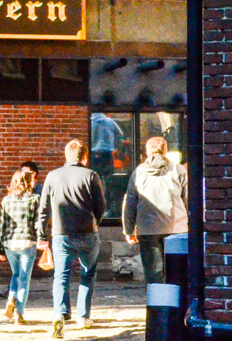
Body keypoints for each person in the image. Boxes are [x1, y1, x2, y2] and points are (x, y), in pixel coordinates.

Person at [37, 139, 106, 339]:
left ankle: (60, 314)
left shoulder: (52, 176)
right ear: (84, 157)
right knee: (88, 272)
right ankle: (83, 316)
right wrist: (96, 221)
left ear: (66, 156)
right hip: (87, 232)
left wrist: (42, 235)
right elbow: (100, 205)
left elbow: (43, 209)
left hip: (61, 233)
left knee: (61, 276)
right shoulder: (91, 175)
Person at [122, 137, 188, 284]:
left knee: (153, 272)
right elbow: (187, 199)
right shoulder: (178, 170)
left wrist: (129, 230)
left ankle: (156, 303)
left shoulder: (139, 172)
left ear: (147, 152)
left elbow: (130, 202)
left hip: (148, 228)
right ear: (165, 150)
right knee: (176, 272)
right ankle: (176, 304)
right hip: (176, 227)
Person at [0, 170, 40, 325]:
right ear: (30, 182)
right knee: (24, 279)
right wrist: (42, 239)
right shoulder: (35, 199)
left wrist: (0, 249)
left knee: (15, 274)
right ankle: (19, 314)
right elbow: (38, 223)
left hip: (9, 243)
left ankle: (10, 299)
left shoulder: (6, 200)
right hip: (27, 242)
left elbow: (2, 225)